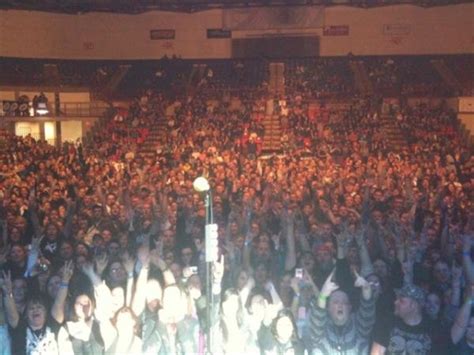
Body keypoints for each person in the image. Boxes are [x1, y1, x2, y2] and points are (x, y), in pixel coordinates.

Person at [309, 269, 375, 354]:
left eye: (344, 302)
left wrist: (366, 289)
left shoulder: (359, 326)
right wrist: (323, 295)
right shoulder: (322, 328)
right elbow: (318, 318)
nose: (340, 305)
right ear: (328, 308)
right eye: (336, 302)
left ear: (349, 308)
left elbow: (367, 310)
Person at [371, 283, 433, 354]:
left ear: (414, 306)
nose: (395, 302)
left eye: (401, 301)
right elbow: (377, 352)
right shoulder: (387, 323)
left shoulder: (433, 330)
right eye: (397, 299)